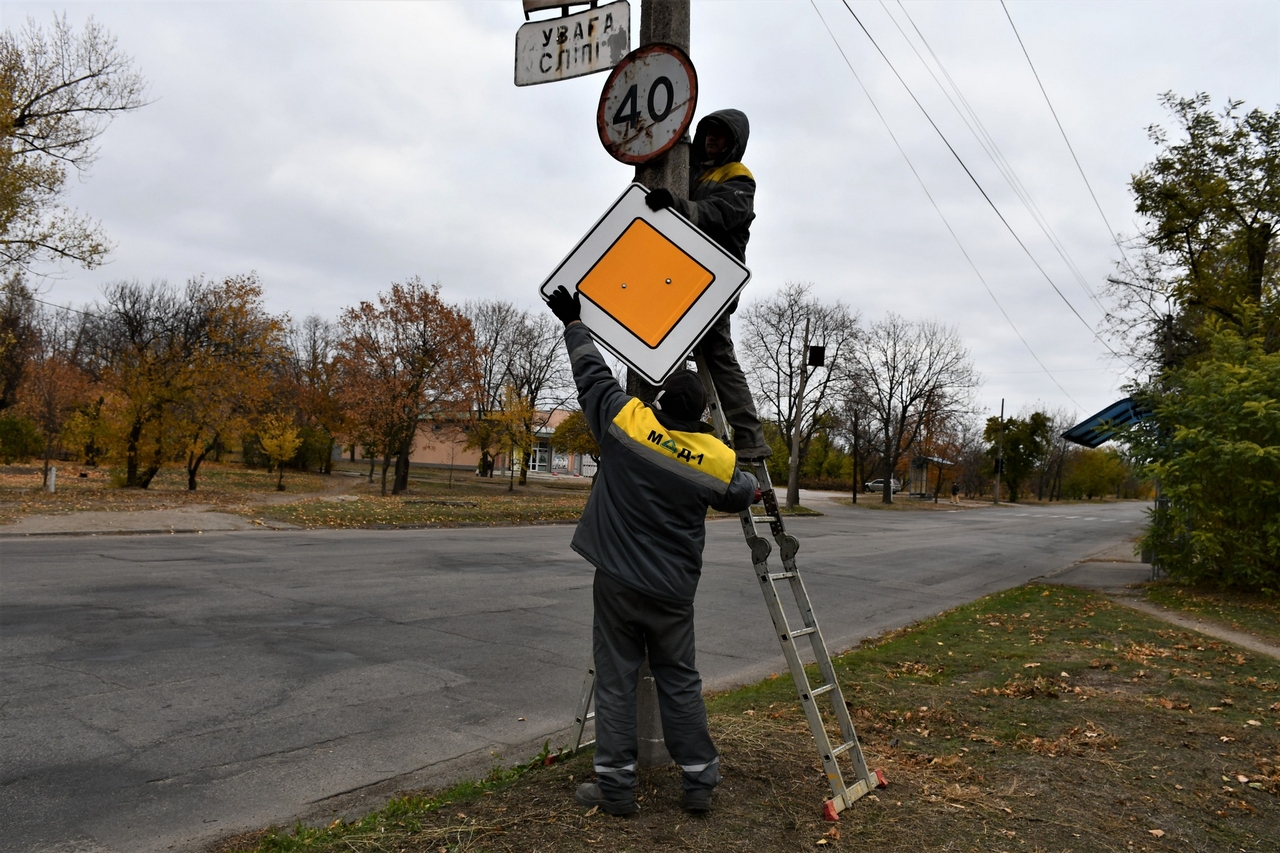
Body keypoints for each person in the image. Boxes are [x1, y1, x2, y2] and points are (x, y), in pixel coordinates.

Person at [545, 285, 759, 817]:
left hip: (617, 581)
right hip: (671, 591)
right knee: (679, 680)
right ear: (702, 414)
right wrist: (752, 472)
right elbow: (743, 490)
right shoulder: (713, 459)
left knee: (616, 679)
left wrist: (575, 322)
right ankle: (699, 781)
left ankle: (616, 787)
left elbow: (592, 378)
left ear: (660, 405)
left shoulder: (627, 425)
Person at [644, 108, 770, 460]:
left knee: (717, 355)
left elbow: (720, 214)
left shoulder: (738, 177)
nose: (712, 139)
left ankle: (749, 439)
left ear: (735, 142)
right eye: (708, 133)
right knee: (663, 349)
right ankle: (666, 425)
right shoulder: (688, 167)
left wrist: (678, 205)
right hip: (683, 278)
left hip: (713, 281)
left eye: (721, 135)